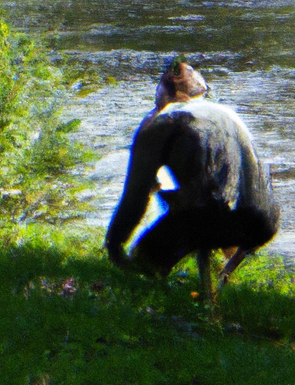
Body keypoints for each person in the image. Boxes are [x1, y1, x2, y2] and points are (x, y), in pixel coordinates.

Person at [105, 58, 280, 297]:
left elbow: (134, 196)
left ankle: (152, 303)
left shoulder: (164, 122)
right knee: (198, 209)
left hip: (214, 220)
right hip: (266, 220)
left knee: (144, 258)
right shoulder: (223, 112)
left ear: (167, 97)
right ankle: (218, 286)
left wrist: (114, 245)